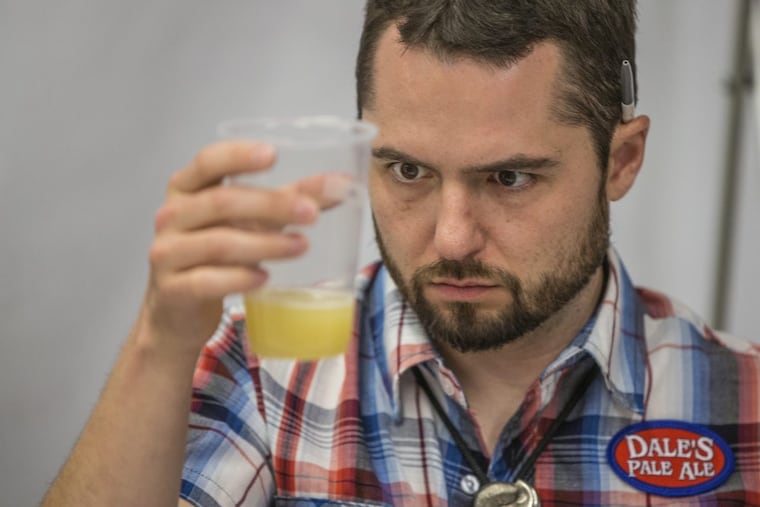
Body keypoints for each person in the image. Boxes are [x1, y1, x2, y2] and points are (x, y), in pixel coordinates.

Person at [43, 1, 760, 506]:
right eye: (408, 171)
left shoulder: (743, 405)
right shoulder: (265, 371)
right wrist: (159, 340)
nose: (451, 238)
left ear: (621, 160)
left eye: (508, 178)